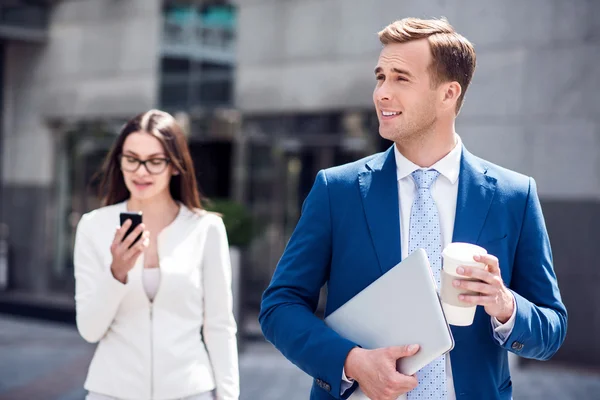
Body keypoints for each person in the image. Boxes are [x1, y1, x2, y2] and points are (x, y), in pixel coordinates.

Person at [259, 17, 567, 400]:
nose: (382, 94)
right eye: (380, 77)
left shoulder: (513, 195)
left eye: (401, 78)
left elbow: (552, 329)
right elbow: (280, 306)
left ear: (448, 94)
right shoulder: (337, 190)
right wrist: (351, 361)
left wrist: (504, 305)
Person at [74, 110, 239, 400]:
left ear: (175, 166)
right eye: (132, 159)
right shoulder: (93, 226)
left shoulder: (206, 228)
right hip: (111, 391)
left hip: (190, 390)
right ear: (120, 161)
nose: (141, 171)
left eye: (154, 161)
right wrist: (117, 273)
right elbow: (89, 329)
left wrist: (228, 396)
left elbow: (220, 326)